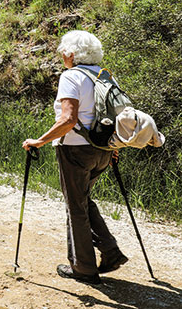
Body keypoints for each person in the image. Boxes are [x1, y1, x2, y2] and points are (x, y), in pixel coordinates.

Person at [22, 30, 127, 285]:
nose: (61, 55)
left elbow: (68, 119)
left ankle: (83, 268)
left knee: (75, 206)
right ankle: (110, 251)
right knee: (82, 200)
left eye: (62, 51)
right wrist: (113, 149)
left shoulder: (71, 77)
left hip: (75, 150)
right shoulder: (103, 75)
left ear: (71, 54)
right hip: (102, 150)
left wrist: (40, 140)